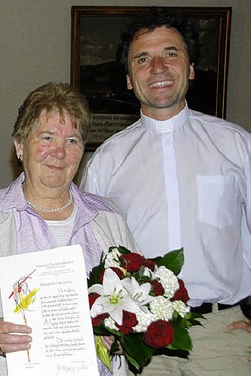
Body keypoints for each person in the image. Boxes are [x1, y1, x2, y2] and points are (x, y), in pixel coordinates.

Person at [81, 8, 251, 375]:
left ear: (191, 68)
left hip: (223, 336)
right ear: (128, 78)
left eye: (171, 53)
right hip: (138, 345)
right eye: (143, 59)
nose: (158, 67)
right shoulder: (106, 162)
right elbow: (88, 258)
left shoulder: (237, 146)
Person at [0, 82, 138, 376]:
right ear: (19, 145)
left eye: (73, 141)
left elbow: (136, 299)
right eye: (47, 137)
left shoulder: (109, 219)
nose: (59, 152)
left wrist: (120, 335)